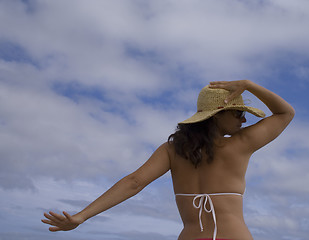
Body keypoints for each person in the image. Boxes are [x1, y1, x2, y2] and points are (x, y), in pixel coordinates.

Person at [42, 80, 295, 240]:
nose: (244, 120)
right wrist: (249, 85)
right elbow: (286, 112)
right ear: (218, 115)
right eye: (239, 113)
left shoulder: (173, 150)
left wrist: (82, 216)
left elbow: (134, 182)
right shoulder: (241, 144)